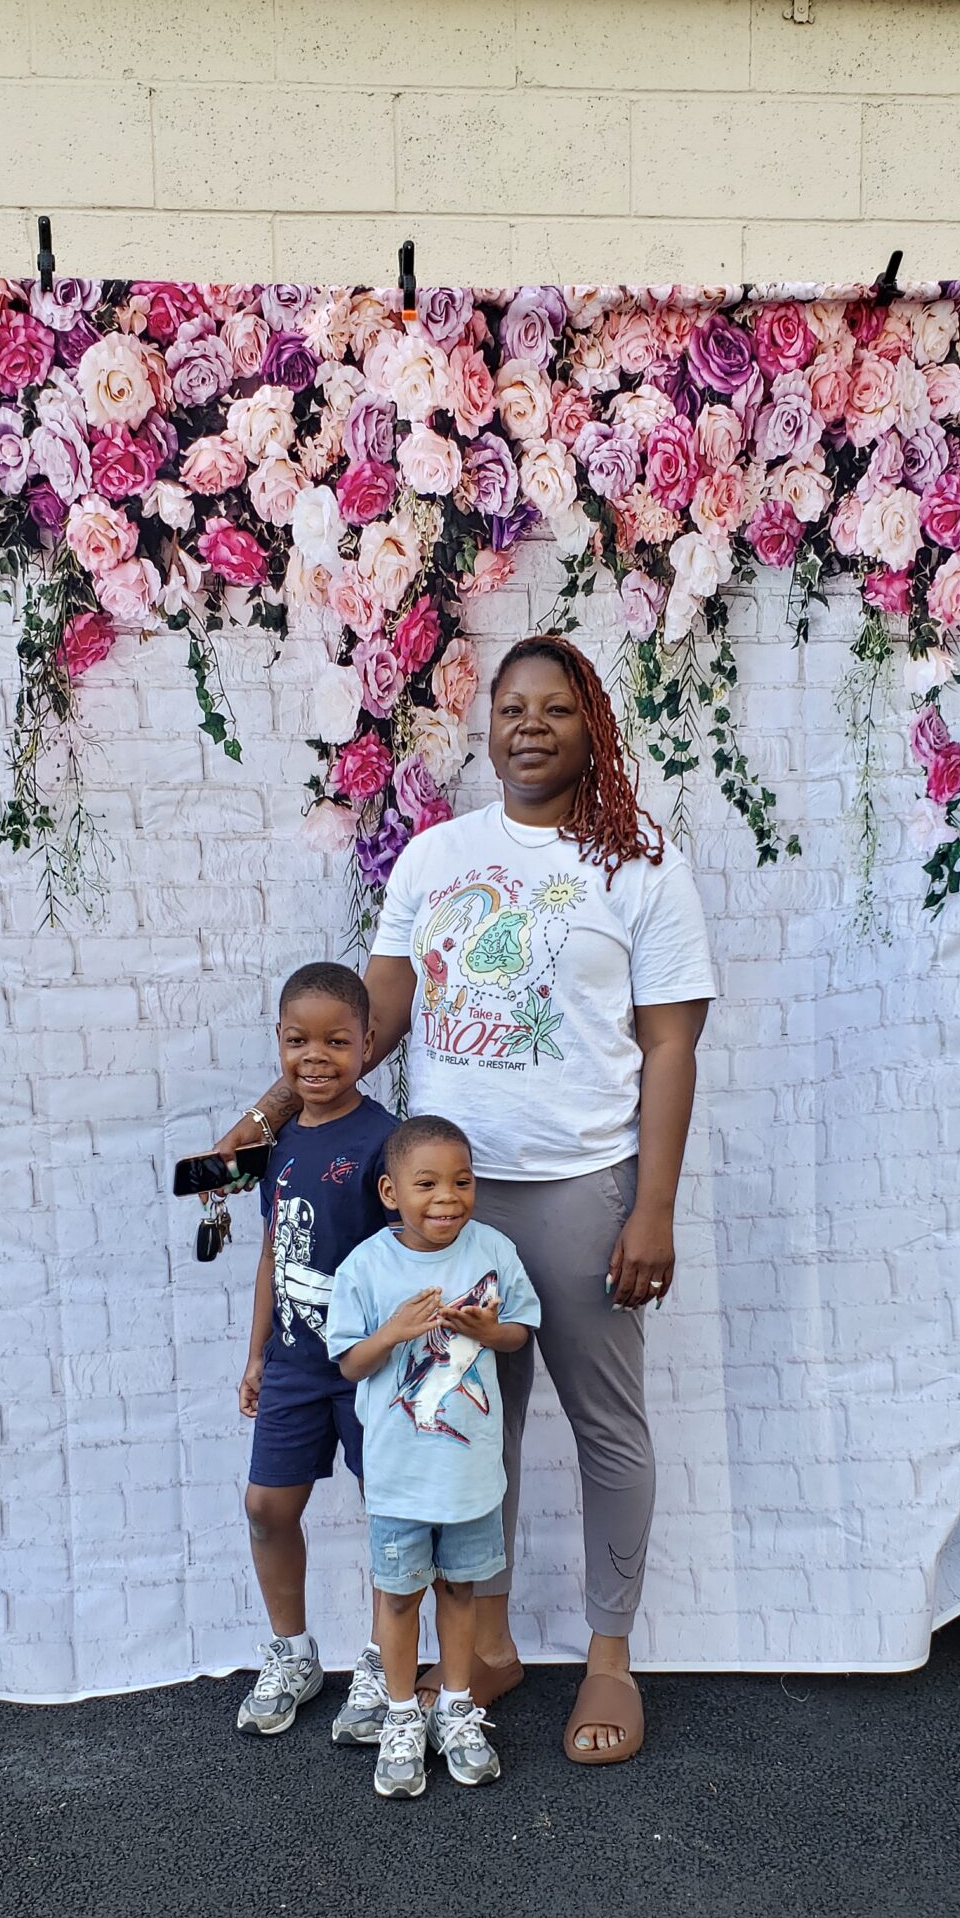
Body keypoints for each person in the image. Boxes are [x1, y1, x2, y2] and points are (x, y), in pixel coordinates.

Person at [214, 635, 713, 1763]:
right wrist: (269, 1116)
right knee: (466, 1426)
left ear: (593, 728)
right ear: (488, 726)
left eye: (555, 708)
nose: (530, 727)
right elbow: (373, 1021)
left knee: (605, 1426)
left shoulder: (643, 868)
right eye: (512, 708)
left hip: (582, 1190)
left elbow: (670, 1046)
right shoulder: (436, 856)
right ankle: (483, 1645)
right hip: (440, 1212)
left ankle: (608, 1657)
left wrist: (653, 1208)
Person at [327, 1114, 540, 1800]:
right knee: (398, 1598)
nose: (448, 1196)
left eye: (462, 1181)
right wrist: (393, 1332)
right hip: (399, 1479)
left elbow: (518, 1333)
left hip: (470, 1477)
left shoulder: (493, 1250)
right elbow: (351, 1364)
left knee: (460, 1590)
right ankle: (399, 1715)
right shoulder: (366, 1267)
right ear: (390, 1193)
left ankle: (454, 1707)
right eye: (427, 1184)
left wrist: (489, 1330)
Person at [235, 961, 396, 1745]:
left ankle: (385, 1664)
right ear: (279, 1042)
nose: (316, 1057)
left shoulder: (386, 1141)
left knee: (389, 1516)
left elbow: (406, 1256)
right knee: (267, 1507)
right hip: (295, 1366)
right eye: (299, 1040)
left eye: (336, 1041)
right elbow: (273, 1250)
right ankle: (293, 1654)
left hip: (370, 1368)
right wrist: (257, 1353)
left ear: (369, 1043)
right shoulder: (280, 1143)